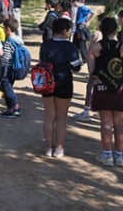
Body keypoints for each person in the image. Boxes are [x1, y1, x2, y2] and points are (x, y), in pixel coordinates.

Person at [88, 18, 123, 168]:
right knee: (120, 123)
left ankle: (107, 156)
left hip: (103, 88)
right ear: (116, 30)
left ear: (101, 30)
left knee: (106, 123)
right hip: (120, 88)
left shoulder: (94, 48)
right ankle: (119, 157)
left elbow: (92, 72)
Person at [38, 18, 82, 157]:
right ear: (65, 31)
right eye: (70, 30)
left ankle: (48, 147)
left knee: (49, 116)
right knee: (62, 117)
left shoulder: (45, 45)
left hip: (46, 82)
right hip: (64, 81)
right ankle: (59, 148)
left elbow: (42, 62)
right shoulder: (70, 47)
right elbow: (77, 67)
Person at [0, 18, 23, 118]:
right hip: (15, 67)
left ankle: (15, 106)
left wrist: (0, 58)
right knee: (7, 87)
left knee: (6, 87)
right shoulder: (19, 40)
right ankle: (9, 109)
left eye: (4, 28)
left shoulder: (9, 42)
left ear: (8, 29)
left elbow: (6, 58)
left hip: (7, 68)